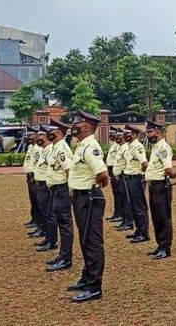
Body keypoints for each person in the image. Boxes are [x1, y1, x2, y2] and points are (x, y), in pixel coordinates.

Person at [66, 110, 109, 303]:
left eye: (77, 122)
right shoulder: (81, 145)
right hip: (81, 197)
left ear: (85, 126)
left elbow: (102, 174)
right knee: (85, 239)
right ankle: (87, 277)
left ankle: (94, 286)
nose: (73, 125)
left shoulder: (91, 146)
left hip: (89, 197)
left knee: (92, 240)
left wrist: (93, 187)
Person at [144, 121, 176, 260]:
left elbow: (168, 168)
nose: (147, 135)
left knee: (163, 217)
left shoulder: (163, 147)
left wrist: (172, 174)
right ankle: (160, 244)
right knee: (156, 217)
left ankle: (165, 247)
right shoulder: (156, 147)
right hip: (153, 186)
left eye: (149, 132)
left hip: (161, 186)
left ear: (157, 132)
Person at [45, 119, 74, 272]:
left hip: (62, 189)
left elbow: (69, 170)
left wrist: (69, 191)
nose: (47, 134)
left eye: (50, 132)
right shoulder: (56, 147)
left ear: (57, 133)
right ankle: (63, 255)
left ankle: (66, 258)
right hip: (57, 189)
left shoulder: (62, 148)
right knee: (62, 222)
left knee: (64, 224)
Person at [122, 124, 149, 243]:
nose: (124, 135)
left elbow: (144, 164)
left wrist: (140, 175)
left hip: (136, 179)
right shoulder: (130, 146)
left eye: (127, 133)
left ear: (134, 135)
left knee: (139, 207)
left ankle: (144, 233)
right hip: (130, 179)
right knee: (133, 206)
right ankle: (138, 230)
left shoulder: (138, 147)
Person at [33, 125, 57, 252]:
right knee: (45, 213)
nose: (38, 137)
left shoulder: (49, 151)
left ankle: (52, 241)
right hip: (42, 185)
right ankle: (48, 238)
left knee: (49, 214)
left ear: (47, 137)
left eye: (41, 135)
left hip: (46, 186)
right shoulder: (45, 150)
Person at [112, 128, 134, 231]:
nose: (117, 137)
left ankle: (129, 222)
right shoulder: (121, 147)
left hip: (124, 177)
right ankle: (124, 221)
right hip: (119, 177)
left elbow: (127, 163)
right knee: (122, 199)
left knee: (126, 200)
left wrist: (124, 175)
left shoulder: (125, 148)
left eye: (119, 136)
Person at [22, 126, 41, 228]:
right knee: (33, 200)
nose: (28, 137)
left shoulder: (37, 149)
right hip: (30, 176)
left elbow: (38, 164)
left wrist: (34, 176)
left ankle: (39, 223)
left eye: (30, 135)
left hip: (35, 177)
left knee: (37, 201)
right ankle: (34, 219)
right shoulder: (30, 147)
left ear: (36, 135)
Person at [105, 126, 122, 222]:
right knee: (116, 193)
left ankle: (120, 214)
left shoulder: (119, 146)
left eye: (112, 134)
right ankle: (116, 213)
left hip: (116, 171)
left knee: (118, 194)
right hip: (112, 171)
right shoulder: (114, 145)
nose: (110, 136)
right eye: (110, 134)